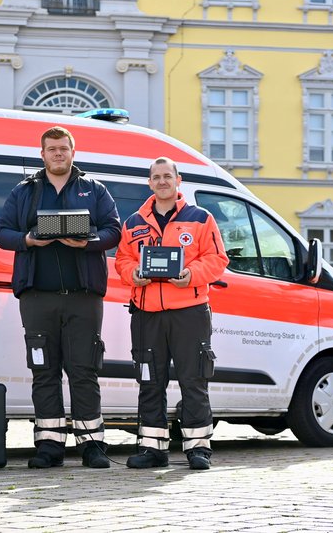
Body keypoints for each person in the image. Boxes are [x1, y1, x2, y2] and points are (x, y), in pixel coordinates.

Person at [0, 126, 122, 469]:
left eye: (63, 149)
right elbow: (1, 233)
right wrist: (29, 240)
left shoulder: (93, 190)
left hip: (83, 297)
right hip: (37, 297)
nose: (58, 154)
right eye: (51, 149)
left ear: (72, 152)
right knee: (44, 370)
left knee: (84, 370)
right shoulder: (24, 192)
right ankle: (49, 446)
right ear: (43, 154)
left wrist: (88, 241)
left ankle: (92, 444)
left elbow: (114, 230)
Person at [114, 157, 229, 470]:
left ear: (179, 181)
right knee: (150, 380)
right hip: (146, 312)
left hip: (189, 312)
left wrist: (190, 274)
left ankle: (198, 449)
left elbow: (218, 259)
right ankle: (153, 449)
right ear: (149, 183)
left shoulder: (200, 218)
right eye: (156, 177)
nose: (162, 181)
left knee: (194, 379)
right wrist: (133, 273)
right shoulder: (134, 222)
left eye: (168, 176)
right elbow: (122, 260)